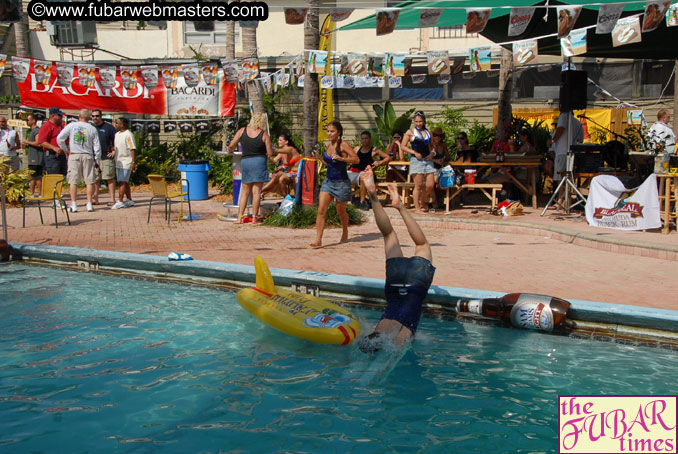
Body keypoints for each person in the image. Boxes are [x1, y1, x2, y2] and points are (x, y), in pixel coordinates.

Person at [357, 165, 435, 353]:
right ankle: (399, 206)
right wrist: (400, 206)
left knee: (390, 235)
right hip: (413, 288)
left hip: (396, 287)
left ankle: (373, 196)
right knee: (415, 242)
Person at [310, 120, 359, 248]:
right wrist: (320, 157)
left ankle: (345, 231)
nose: (329, 134)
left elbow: (356, 159)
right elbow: (329, 164)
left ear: (339, 133)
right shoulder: (329, 146)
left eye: (332, 131)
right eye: (328, 131)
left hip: (342, 183)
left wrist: (342, 159)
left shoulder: (343, 145)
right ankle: (318, 240)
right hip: (328, 182)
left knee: (340, 212)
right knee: (321, 210)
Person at [227, 112, 274, 225]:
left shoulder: (242, 131)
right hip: (259, 161)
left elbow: (231, 145)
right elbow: (270, 152)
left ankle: (240, 218)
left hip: (246, 161)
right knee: (256, 192)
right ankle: (254, 218)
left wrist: (230, 151)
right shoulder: (264, 134)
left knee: (245, 192)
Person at [57, 109, 101, 213]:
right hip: (88, 155)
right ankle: (89, 203)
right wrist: (97, 159)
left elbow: (60, 138)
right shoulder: (92, 128)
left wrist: (66, 150)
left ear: (79, 116)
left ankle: (74, 204)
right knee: (90, 180)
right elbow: (97, 145)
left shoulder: (72, 126)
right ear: (89, 118)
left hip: (74, 154)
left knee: (73, 180)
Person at [401, 111, 436, 214]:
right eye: (416, 121)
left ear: (424, 121)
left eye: (420, 121)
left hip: (428, 159)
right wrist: (414, 152)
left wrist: (433, 153)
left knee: (430, 184)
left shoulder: (428, 131)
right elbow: (403, 146)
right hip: (416, 160)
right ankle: (417, 207)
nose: (418, 123)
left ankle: (422, 200)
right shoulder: (410, 132)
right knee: (419, 185)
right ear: (414, 122)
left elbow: (432, 145)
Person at [349, 130, 391, 210]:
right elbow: (349, 157)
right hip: (354, 172)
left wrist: (379, 162)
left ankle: (362, 201)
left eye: (366, 138)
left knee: (363, 177)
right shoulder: (357, 149)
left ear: (370, 139)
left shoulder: (374, 151)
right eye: (362, 138)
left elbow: (388, 158)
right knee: (340, 176)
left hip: (367, 174)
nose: (364, 140)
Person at [551, 111, 584, 201]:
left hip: (562, 151)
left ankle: (560, 200)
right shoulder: (578, 123)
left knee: (560, 178)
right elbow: (580, 140)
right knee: (568, 177)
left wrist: (552, 141)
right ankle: (566, 200)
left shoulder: (563, 116)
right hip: (572, 153)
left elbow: (560, 129)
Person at [91, 109, 118, 206]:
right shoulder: (91, 127)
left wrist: (114, 150)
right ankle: (95, 199)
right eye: (93, 116)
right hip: (94, 158)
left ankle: (112, 199)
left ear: (101, 116)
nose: (95, 118)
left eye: (97, 116)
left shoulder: (108, 127)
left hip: (106, 157)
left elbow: (116, 139)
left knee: (109, 178)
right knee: (95, 179)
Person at [261, 133, 300, 199]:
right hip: (289, 173)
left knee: (281, 177)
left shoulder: (290, 149)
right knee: (276, 176)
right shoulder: (282, 153)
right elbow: (273, 161)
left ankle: (259, 191)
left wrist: (266, 144)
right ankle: (285, 197)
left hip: (296, 173)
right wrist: (268, 156)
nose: (278, 142)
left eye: (280, 140)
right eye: (278, 140)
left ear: (286, 142)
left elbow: (275, 150)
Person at [111, 117, 136, 209]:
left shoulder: (129, 134)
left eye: (117, 123)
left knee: (122, 181)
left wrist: (133, 162)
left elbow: (133, 149)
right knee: (125, 182)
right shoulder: (117, 134)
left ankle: (120, 201)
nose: (115, 124)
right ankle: (129, 200)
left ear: (122, 124)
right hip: (118, 161)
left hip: (126, 162)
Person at [39, 107, 67, 177]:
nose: (61, 118)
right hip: (52, 156)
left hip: (61, 155)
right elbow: (42, 141)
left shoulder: (60, 126)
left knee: (62, 177)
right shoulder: (46, 126)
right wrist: (54, 148)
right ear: (52, 116)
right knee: (54, 177)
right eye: (59, 116)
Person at [23, 114, 44, 195]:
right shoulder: (32, 131)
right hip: (33, 157)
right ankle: (37, 193)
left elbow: (39, 143)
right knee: (35, 176)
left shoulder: (36, 130)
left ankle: (35, 194)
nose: (26, 122)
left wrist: (27, 142)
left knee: (35, 177)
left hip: (36, 158)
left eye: (28, 120)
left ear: (33, 121)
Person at [430, 127, 449, 211]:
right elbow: (425, 157)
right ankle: (435, 201)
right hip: (430, 168)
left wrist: (443, 160)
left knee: (441, 182)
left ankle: (437, 201)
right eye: (435, 135)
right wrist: (435, 160)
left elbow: (448, 157)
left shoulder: (443, 145)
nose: (437, 137)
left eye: (439, 136)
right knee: (435, 181)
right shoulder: (430, 145)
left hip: (440, 168)